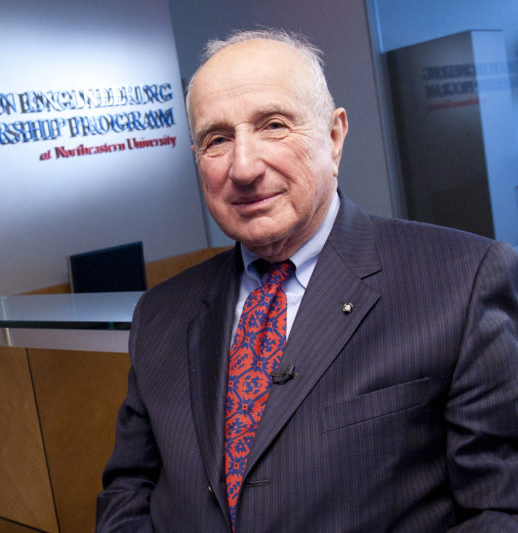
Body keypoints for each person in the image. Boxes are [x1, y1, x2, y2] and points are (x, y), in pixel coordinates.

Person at [95, 28, 518, 532]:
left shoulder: (461, 281)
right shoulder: (160, 314)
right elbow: (128, 491)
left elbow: (500, 507)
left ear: (334, 137)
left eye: (273, 125)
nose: (244, 167)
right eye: (217, 139)